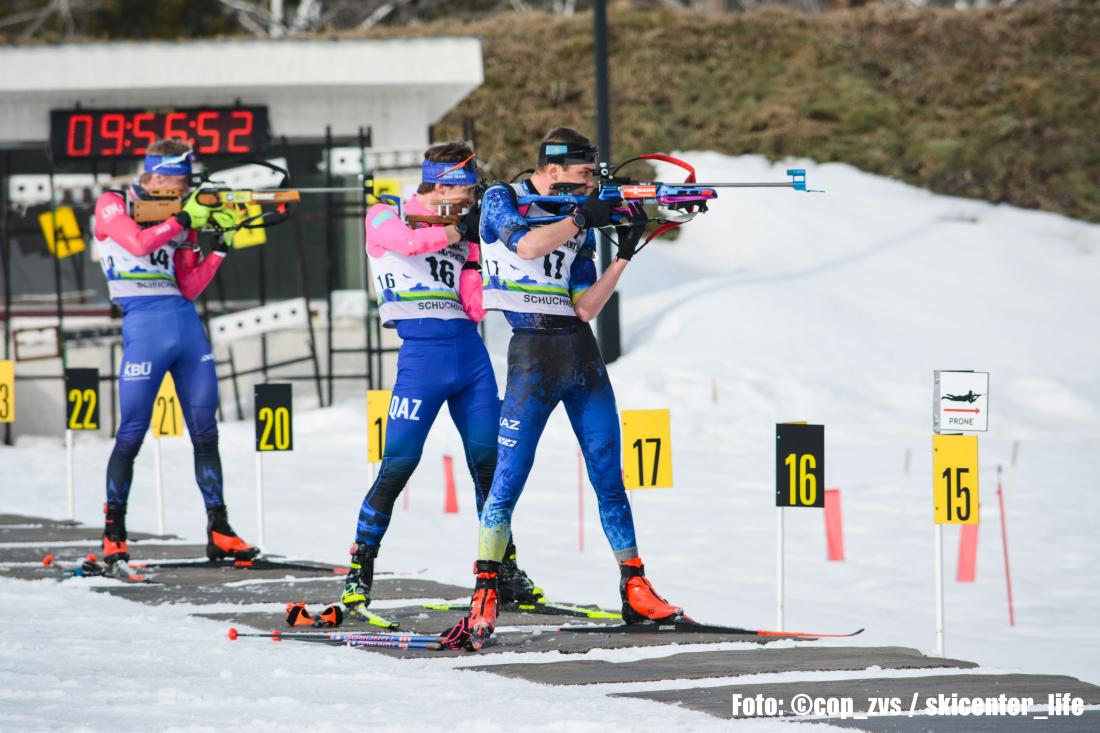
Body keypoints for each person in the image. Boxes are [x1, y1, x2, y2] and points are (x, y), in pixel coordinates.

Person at [463, 128, 685, 649]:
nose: (589, 184)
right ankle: (485, 589)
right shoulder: (505, 198)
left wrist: (624, 254)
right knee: (509, 477)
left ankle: (634, 586)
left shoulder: (575, 220)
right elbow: (526, 242)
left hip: (579, 353)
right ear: (555, 167)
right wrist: (582, 215)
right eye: (585, 174)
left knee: (610, 474)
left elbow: (584, 305)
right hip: (532, 355)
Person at [342, 142, 542, 619]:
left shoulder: (463, 230)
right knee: (397, 466)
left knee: (491, 470)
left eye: (473, 193)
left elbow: (474, 307)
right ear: (443, 185)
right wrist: (457, 227)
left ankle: (504, 571)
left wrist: (476, 253)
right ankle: (358, 572)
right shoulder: (384, 212)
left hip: (470, 357)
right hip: (421, 361)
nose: (471, 199)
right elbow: (408, 244)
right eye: (465, 190)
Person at [94, 138, 256, 578]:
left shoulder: (181, 217)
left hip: (185, 323)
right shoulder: (114, 203)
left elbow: (188, 286)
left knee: (206, 431)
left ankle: (219, 529)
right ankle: (114, 531)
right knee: (131, 431)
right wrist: (184, 217)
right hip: (143, 324)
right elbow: (138, 243)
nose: (181, 190)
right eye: (177, 182)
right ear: (157, 176)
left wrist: (219, 246)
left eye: (186, 185)